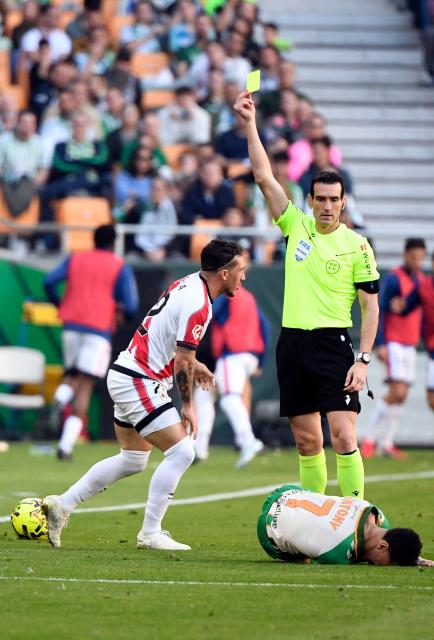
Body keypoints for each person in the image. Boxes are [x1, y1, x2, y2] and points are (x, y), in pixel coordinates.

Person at [43, 239, 246, 551]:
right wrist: (189, 405)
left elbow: (172, 341)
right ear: (222, 273)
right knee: (182, 453)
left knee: (133, 459)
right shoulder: (200, 304)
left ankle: (62, 504)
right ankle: (150, 533)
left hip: (127, 373)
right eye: (240, 270)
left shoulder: (188, 283)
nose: (243, 276)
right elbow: (180, 360)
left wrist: (197, 363)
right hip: (139, 378)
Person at [234, 90, 379, 500]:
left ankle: (354, 521)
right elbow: (263, 176)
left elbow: (370, 309)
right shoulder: (296, 225)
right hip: (293, 343)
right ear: (310, 200)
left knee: (343, 435)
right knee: (307, 443)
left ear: (343, 202)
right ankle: (317, 525)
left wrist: (363, 360)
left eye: (335, 200)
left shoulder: (358, 246)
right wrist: (250, 123)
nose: (328, 207)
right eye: (322, 199)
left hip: (334, 344)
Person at [44, 224, 139, 460]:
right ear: (113, 242)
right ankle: (65, 444)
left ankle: (60, 397)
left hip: (70, 325)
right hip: (98, 328)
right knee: (85, 385)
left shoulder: (76, 258)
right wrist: (121, 315)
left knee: (72, 375)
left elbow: (49, 281)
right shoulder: (119, 266)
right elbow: (131, 306)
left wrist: (60, 303)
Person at [194, 250, 271, 467]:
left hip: (233, 355)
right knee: (204, 392)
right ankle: (200, 446)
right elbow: (265, 328)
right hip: (249, 357)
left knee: (229, 398)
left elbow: (208, 313)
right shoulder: (249, 297)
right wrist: (260, 361)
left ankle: (248, 440)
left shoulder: (228, 296)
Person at [360, 239, 426, 460]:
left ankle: (386, 443)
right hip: (394, 342)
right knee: (396, 392)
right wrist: (380, 343)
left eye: (420, 258)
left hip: (410, 344)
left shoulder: (421, 281)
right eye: (414, 257)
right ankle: (369, 439)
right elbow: (377, 309)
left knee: (402, 396)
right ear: (406, 255)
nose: (417, 261)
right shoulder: (394, 279)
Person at [257, 484, 434, 566]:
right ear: (382, 545)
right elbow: (354, 555)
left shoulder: (377, 515)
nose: (391, 566)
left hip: (290, 491)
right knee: (300, 555)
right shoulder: (339, 552)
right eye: (393, 562)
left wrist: (412, 556)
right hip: (267, 530)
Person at [388, 249, 434, 414]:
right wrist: (402, 307)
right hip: (427, 348)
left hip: (415, 344)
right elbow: (408, 305)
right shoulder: (424, 285)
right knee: (430, 400)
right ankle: (378, 438)